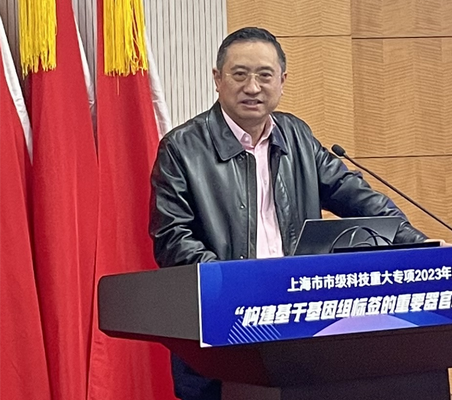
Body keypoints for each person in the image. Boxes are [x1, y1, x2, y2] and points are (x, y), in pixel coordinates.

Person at [149, 26, 430, 400]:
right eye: (239, 74)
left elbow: (359, 199)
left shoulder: (297, 137)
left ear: (282, 80)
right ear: (217, 79)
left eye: (264, 75)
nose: (252, 87)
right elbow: (172, 240)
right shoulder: (181, 148)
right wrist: (238, 289)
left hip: (300, 330)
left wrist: (421, 246)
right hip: (223, 339)